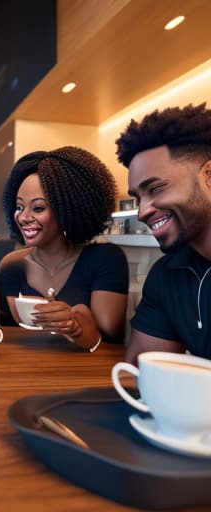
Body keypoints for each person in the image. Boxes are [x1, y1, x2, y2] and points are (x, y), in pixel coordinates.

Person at [0, 146, 129, 351]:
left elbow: (109, 337)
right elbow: (11, 336)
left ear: (67, 209)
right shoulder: (11, 266)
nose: (23, 217)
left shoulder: (105, 258)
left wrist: (75, 326)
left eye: (38, 208)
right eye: (19, 207)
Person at [116, 103, 211, 363]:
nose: (142, 212)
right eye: (138, 198)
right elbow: (138, 376)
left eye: (156, 189)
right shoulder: (167, 275)